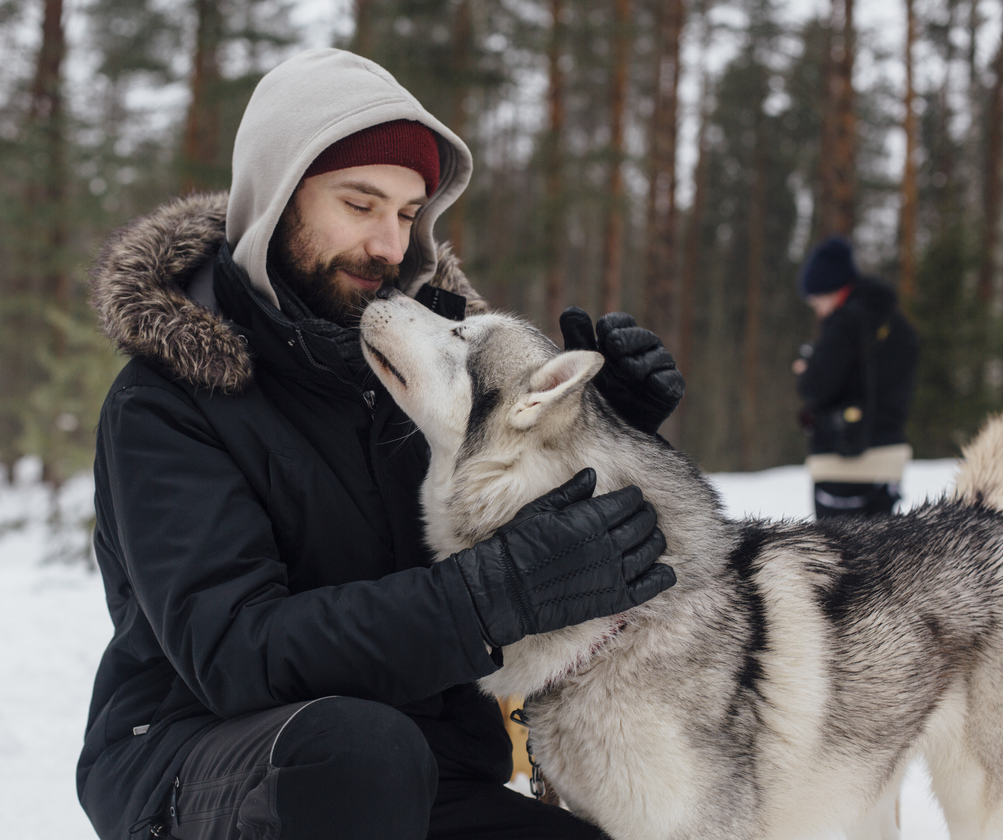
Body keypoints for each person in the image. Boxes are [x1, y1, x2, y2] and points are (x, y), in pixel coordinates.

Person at [79, 48, 684, 840]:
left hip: (428, 776)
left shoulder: (421, 386)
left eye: (406, 215)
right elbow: (234, 651)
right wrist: (484, 596)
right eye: (359, 204)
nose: (389, 248)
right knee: (360, 754)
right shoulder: (166, 403)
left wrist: (602, 430)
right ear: (275, 199)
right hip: (206, 766)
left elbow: (530, 545)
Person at [792, 235, 919, 519]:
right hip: (889, 460)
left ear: (831, 288)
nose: (818, 309)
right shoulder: (897, 324)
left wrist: (808, 369)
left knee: (836, 560)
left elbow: (816, 388)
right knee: (884, 561)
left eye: (817, 300)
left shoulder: (843, 324)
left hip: (842, 464)